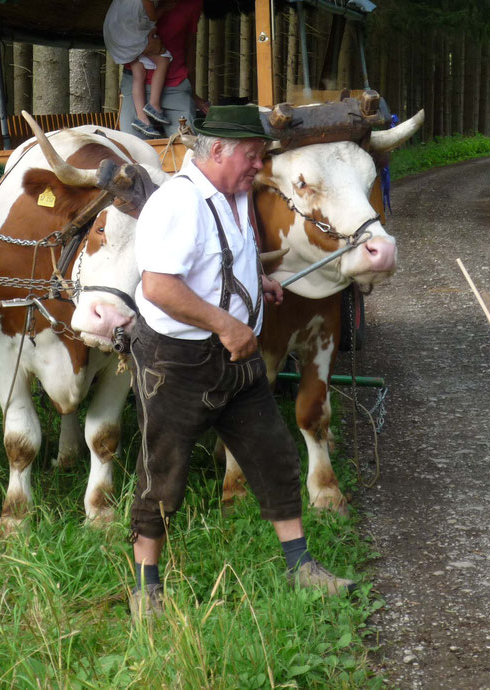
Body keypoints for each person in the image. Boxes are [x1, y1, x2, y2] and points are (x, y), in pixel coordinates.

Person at [126, 104, 356, 618]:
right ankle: (146, 589)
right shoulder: (176, 205)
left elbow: (223, 262)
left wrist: (259, 285)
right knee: (162, 473)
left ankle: (302, 568)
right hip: (179, 362)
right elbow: (159, 286)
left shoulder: (234, 197)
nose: (259, 166)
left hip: (238, 361)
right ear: (219, 151)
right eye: (252, 156)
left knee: (275, 458)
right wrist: (227, 323)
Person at [117, 0, 208, 139]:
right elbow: (120, 29)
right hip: (136, 80)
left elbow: (190, 43)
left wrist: (192, 93)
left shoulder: (193, 3)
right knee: (132, 144)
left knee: (186, 144)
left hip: (175, 83)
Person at [104, 0, 173, 138]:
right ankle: (154, 105)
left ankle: (142, 119)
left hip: (116, 33)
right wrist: (166, 7)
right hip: (128, 34)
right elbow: (152, 16)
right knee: (163, 60)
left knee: (139, 72)